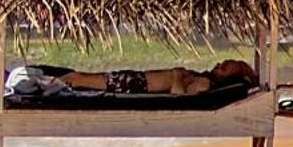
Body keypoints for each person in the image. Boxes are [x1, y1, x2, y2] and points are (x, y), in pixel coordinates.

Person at [54, 59, 255, 96]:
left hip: (137, 86)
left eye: (224, 68)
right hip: (136, 80)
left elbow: (180, 98)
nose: (218, 65)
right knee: (79, 78)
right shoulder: (202, 78)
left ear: (227, 78)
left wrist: (176, 76)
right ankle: (49, 83)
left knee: (78, 78)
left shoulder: (203, 83)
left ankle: (45, 85)